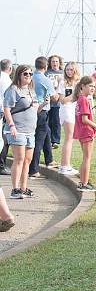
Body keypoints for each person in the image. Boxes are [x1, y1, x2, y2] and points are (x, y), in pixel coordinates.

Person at [2, 64, 39, 199]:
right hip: (17, 129)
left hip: (30, 130)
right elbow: (7, 108)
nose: (28, 76)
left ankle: (24, 188)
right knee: (19, 159)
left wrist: (43, 105)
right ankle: (15, 189)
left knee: (27, 160)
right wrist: (11, 125)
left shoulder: (30, 90)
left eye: (30, 74)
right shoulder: (13, 90)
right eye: (25, 74)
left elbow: (33, 109)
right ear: (19, 75)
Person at [74, 76, 96, 191]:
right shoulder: (84, 100)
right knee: (87, 158)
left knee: (85, 158)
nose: (93, 88)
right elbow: (85, 119)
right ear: (82, 86)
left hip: (82, 132)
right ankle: (85, 183)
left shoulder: (80, 99)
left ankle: (83, 182)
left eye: (94, 86)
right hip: (86, 132)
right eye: (90, 86)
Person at [29, 57, 58, 178]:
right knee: (38, 141)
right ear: (46, 67)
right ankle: (33, 169)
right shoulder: (45, 80)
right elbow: (55, 97)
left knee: (47, 132)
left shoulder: (31, 77)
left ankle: (49, 160)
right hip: (42, 112)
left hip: (32, 111)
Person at [58, 61, 81, 176]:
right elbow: (62, 100)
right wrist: (75, 95)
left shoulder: (78, 82)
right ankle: (64, 166)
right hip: (67, 111)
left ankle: (66, 164)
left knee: (70, 139)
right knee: (68, 138)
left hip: (74, 111)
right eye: (67, 69)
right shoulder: (63, 82)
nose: (69, 71)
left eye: (71, 69)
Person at [46, 54, 64, 148]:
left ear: (59, 62)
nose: (55, 63)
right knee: (48, 122)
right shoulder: (47, 73)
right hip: (48, 101)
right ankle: (48, 140)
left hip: (58, 102)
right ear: (50, 63)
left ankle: (55, 141)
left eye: (56, 61)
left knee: (56, 122)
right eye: (53, 61)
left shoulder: (63, 73)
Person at [0, 59, 13, 175]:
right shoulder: (7, 81)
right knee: (4, 141)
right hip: (2, 112)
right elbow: (7, 100)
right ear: (10, 68)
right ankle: (1, 165)